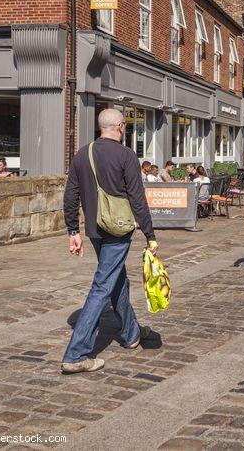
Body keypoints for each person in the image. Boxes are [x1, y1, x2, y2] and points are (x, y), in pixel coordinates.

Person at [61, 108, 159, 374]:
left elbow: (71, 196)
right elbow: (138, 199)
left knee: (117, 280)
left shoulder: (83, 154)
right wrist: (150, 235)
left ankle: (131, 334)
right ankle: (76, 353)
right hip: (118, 230)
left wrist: (73, 231)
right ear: (121, 127)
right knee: (103, 285)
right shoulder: (126, 155)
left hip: (95, 229)